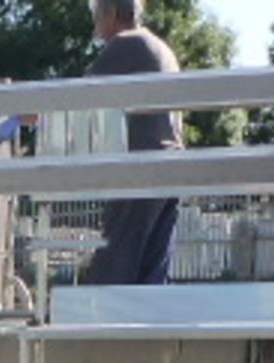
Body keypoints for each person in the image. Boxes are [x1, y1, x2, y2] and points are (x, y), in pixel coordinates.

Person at [82, 0, 183, 286]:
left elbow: (76, 99)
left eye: (96, 17)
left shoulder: (126, 44)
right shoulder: (161, 49)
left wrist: (27, 113)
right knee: (151, 271)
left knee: (115, 266)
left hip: (141, 171)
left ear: (111, 13)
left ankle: (99, 328)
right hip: (172, 169)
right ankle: (147, 330)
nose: (96, 27)